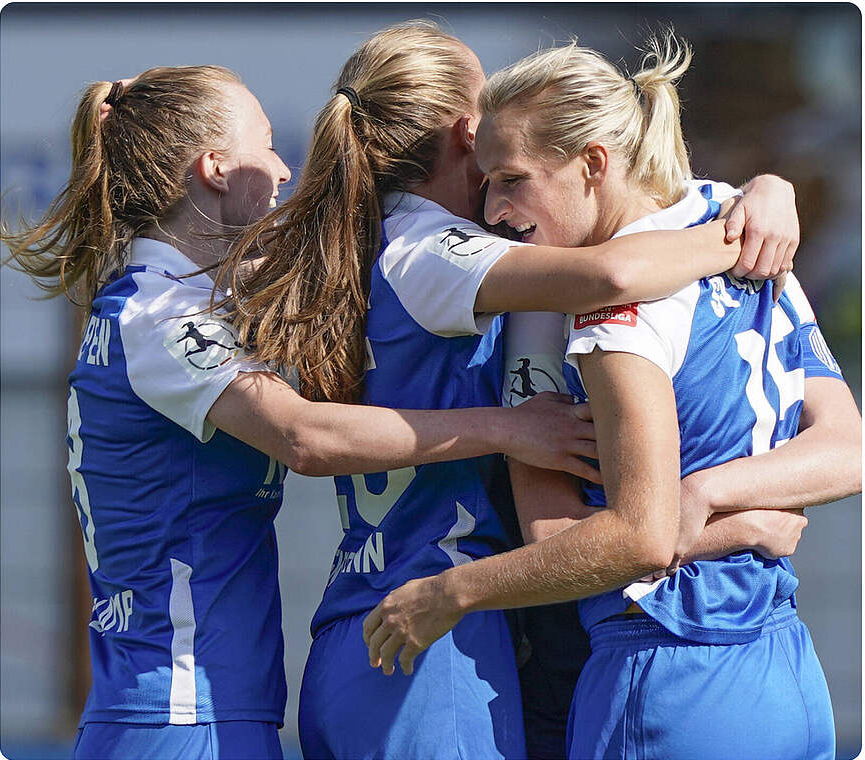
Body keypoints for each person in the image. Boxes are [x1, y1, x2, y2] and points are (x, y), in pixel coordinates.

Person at [219, 21, 805, 760]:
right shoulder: (437, 251)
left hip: (382, 627)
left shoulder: (387, 242)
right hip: (433, 640)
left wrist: (762, 188)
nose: (501, 198)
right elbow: (613, 276)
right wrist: (747, 223)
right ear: (470, 134)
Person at [1, 64, 600, 760]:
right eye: (266, 144)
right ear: (216, 167)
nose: (285, 168)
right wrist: (513, 430)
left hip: (215, 704)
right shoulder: (156, 312)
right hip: (178, 711)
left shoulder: (182, 297)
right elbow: (304, 437)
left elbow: (333, 269)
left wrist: (761, 193)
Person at [362, 34, 862, 759]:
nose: (492, 210)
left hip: (664, 676)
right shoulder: (745, 230)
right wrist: (740, 510)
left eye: (511, 180)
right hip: (789, 672)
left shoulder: (607, 320)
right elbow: (849, 449)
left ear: (594, 163)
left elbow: (597, 540)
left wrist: (452, 592)